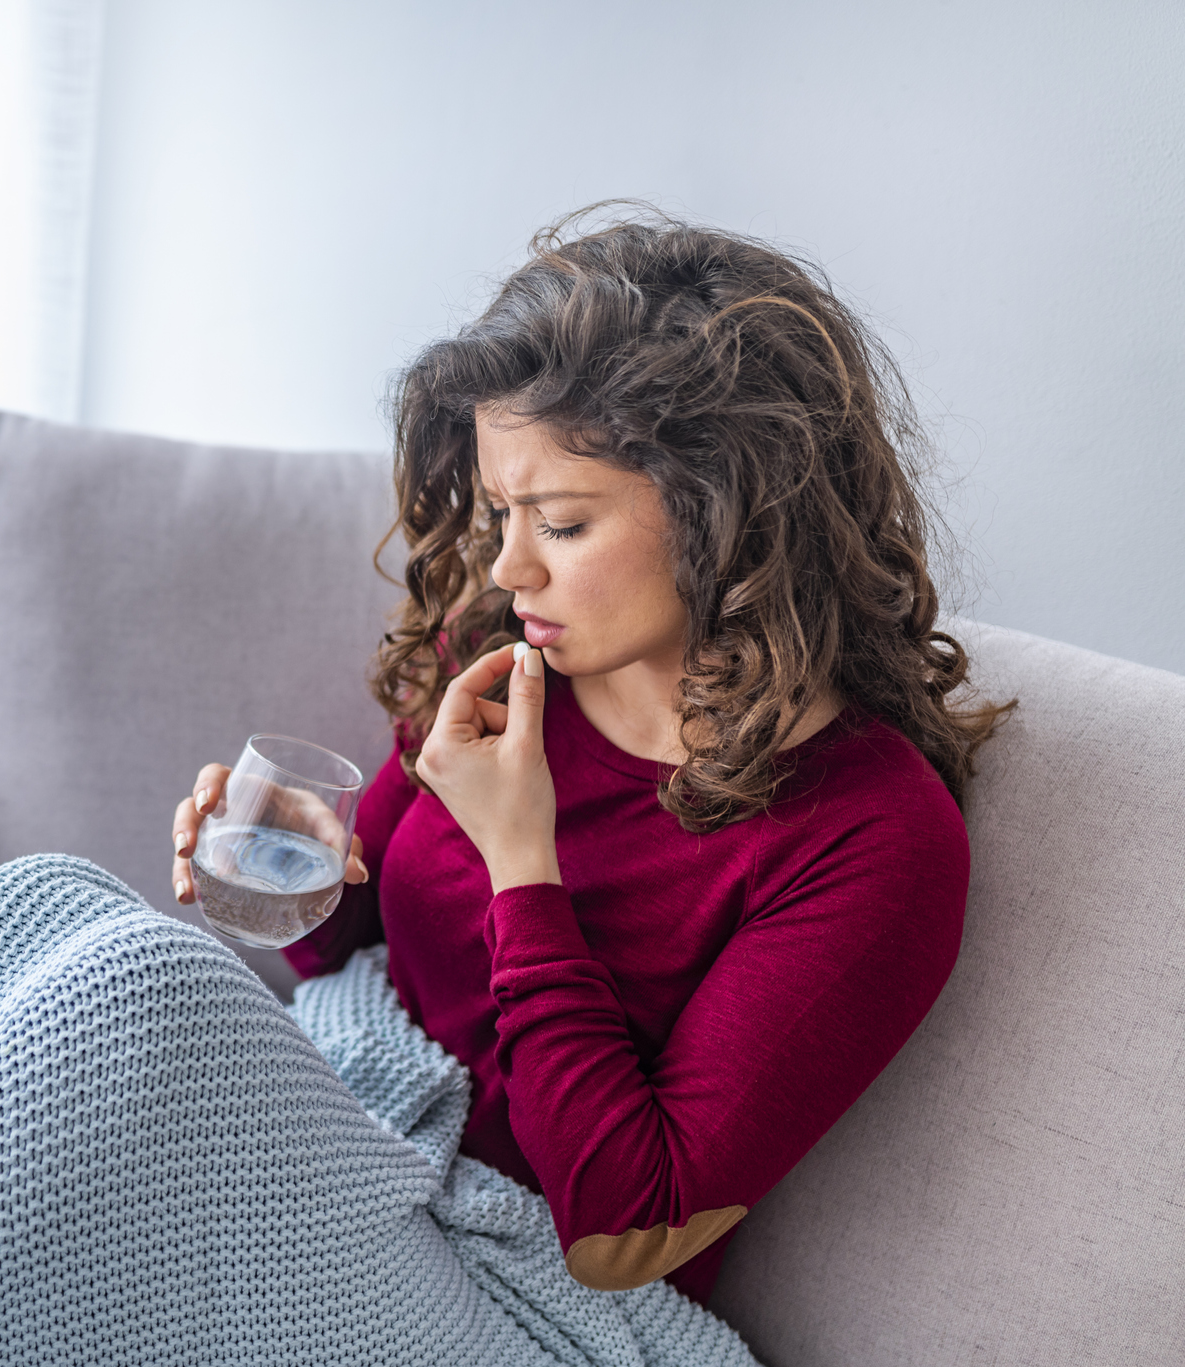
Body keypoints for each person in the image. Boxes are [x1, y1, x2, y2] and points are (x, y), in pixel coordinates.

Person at [170, 209, 1011, 1305]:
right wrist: (299, 861)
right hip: (342, 1146)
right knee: (62, 929)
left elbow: (626, 1233)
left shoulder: (870, 838)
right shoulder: (504, 654)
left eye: (560, 522)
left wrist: (524, 864)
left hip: (513, 1296)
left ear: (731, 516)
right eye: (499, 511)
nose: (510, 566)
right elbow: (348, 953)